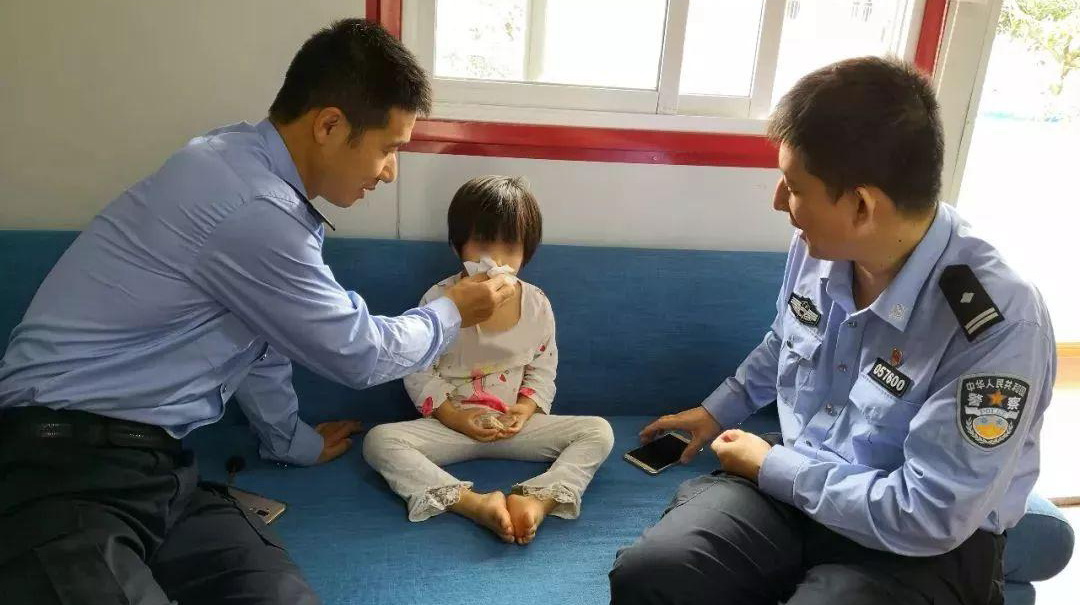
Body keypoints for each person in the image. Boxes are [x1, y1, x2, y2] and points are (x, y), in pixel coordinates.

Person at [0, 19, 515, 604]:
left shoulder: (244, 169)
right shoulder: (252, 205)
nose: (390, 171)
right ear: (329, 125)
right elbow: (359, 354)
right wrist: (451, 312)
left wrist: (293, 443)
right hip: (58, 468)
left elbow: (257, 342)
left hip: (158, 472)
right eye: (389, 148)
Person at [609, 56, 1056, 605]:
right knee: (654, 574)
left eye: (794, 187)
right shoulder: (819, 248)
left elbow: (929, 515)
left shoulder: (997, 323)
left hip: (919, 543)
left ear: (862, 205)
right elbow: (787, 340)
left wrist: (770, 464)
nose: (779, 201)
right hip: (800, 481)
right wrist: (716, 412)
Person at [363, 176, 614, 545]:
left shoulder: (537, 304)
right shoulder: (439, 301)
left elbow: (543, 367)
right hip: (452, 428)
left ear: (526, 252)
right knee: (379, 441)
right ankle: (473, 503)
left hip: (515, 428)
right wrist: (455, 417)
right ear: (458, 245)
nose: (494, 261)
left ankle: (539, 500)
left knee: (598, 432)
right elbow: (418, 369)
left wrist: (524, 409)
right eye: (482, 245)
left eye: (510, 247)